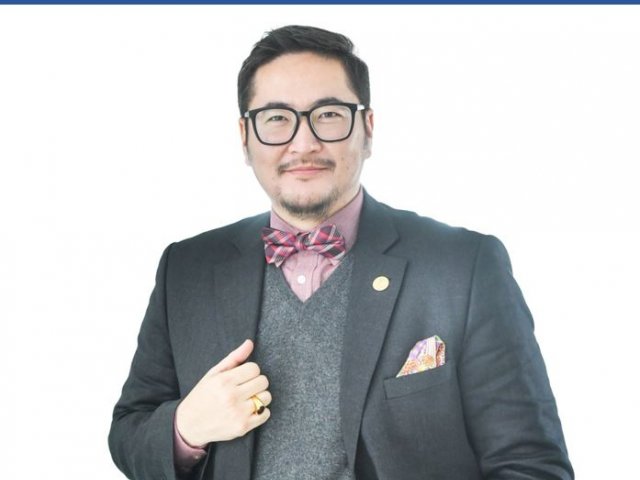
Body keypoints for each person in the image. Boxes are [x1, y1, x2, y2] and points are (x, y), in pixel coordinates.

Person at [108, 25, 574, 480]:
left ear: (367, 130)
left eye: (329, 114)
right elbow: (128, 432)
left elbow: (530, 464)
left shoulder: (463, 268)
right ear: (245, 138)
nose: (304, 143)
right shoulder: (187, 269)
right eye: (276, 118)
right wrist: (185, 428)